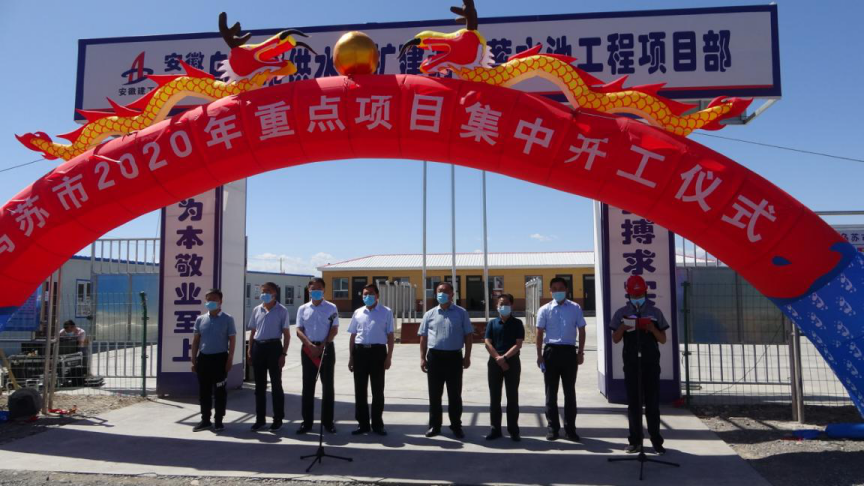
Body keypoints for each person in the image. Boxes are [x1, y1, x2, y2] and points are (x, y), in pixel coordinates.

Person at [610, 275, 670, 455]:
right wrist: (622, 328)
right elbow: (615, 339)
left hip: (651, 363)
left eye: (640, 295)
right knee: (634, 404)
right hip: (631, 363)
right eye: (634, 295)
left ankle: (656, 441)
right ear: (628, 294)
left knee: (652, 404)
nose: (637, 298)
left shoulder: (655, 312)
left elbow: (663, 339)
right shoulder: (621, 313)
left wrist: (652, 329)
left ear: (646, 292)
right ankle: (635, 441)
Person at [419, 281, 473, 439]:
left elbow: (468, 335)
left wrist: (467, 356)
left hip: (454, 358)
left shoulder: (461, 313)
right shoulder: (429, 314)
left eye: (445, 291)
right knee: (434, 394)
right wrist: (422, 358)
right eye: (439, 291)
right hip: (435, 358)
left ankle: (456, 426)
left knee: (454, 394)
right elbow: (423, 337)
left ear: (452, 294)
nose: (441, 294)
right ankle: (434, 426)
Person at [536, 277, 587, 441]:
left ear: (566, 290)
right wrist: (539, 355)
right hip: (551, 352)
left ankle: (570, 429)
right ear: (550, 291)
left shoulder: (575, 308)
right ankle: (553, 428)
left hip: (569, 352)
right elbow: (539, 333)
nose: (558, 291)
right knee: (551, 392)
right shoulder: (544, 309)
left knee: (569, 392)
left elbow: (582, 330)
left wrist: (580, 353)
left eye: (561, 288)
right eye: (554, 289)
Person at [347, 284, 395, 436]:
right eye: (365, 294)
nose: (367, 296)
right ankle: (363, 424)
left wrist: (389, 357)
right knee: (360, 390)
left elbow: (391, 336)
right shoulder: (358, 312)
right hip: (360, 352)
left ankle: (377, 424)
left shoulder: (386, 312)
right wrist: (351, 357)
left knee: (377, 390)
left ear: (377, 295)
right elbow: (353, 335)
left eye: (371, 293)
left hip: (378, 353)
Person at [296, 277, 340, 434]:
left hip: (326, 349)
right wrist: (310, 345)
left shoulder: (331, 307)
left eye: (319, 288)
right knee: (308, 387)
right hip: (308, 350)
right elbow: (299, 330)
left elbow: (334, 329)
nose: (315, 291)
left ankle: (328, 422)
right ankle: (307, 423)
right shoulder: (302, 309)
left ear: (324, 290)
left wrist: (322, 346)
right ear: (308, 290)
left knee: (327, 387)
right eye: (312, 289)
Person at [247, 282, 291, 431]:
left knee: (276, 385)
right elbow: (253, 331)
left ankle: (278, 419)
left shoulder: (282, 310)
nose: (264, 294)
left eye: (268, 291)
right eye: (263, 291)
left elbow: (286, 334)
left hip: (274, 348)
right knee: (259, 386)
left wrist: (283, 353)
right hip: (258, 347)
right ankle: (260, 420)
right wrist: (250, 350)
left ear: (274, 293)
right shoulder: (257, 309)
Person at [190, 289, 236, 432]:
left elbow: (232, 340)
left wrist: (230, 359)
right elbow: (196, 341)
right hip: (204, 359)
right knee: (204, 392)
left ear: (220, 301)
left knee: (220, 392)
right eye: (208, 299)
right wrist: (193, 359)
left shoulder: (228, 319)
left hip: (220, 359)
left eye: (214, 299)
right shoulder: (200, 319)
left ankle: (219, 420)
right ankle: (205, 420)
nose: (211, 302)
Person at [484, 293, 524, 441]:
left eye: (506, 304)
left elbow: (518, 344)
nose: (504, 306)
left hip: (512, 363)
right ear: (497, 306)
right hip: (495, 363)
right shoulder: (492, 323)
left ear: (511, 305)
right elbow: (487, 342)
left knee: (512, 397)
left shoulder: (517, 323)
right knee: (495, 397)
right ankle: (495, 429)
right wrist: (499, 359)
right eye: (501, 304)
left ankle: (513, 430)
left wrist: (505, 358)